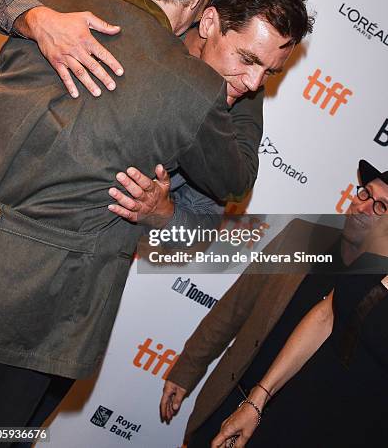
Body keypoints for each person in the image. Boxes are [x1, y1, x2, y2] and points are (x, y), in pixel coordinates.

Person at [0, 0, 311, 440]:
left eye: (270, 73)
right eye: (248, 59)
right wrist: (38, 18)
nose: (254, 84)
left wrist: (165, 215)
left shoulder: (239, 104)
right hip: (26, 286)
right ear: (207, 17)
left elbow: (221, 200)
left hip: (62, 313)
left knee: (12, 430)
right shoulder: (89, 23)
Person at [159, 159, 388, 448]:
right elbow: (236, 305)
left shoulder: (377, 291)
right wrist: (187, 369)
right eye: (365, 193)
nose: (364, 206)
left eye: (382, 206)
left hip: (295, 430)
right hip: (233, 401)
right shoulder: (301, 237)